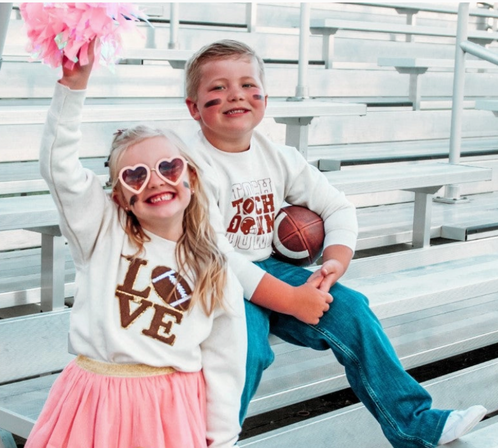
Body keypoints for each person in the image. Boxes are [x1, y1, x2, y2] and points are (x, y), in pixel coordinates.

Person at [183, 39, 487, 448]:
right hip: (218, 278)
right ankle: (209, 440)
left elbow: (337, 207)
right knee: (245, 351)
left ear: (265, 99)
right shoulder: (189, 165)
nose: (235, 94)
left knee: (353, 311)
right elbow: (216, 255)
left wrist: (334, 262)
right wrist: (290, 301)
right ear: (193, 107)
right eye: (217, 88)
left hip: (267, 269)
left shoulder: (280, 156)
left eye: (247, 84)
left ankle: (416, 425)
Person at [26, 41, 247, 448]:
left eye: (168, 167)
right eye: (135, 175)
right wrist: (72, 86)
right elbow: (58, 168)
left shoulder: (214, 268)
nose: (155, 181)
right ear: (118, 197)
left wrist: (222, 436)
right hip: (94, 401)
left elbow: (225, 361)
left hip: (168, 409)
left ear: (190, 178)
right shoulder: (102, 235)